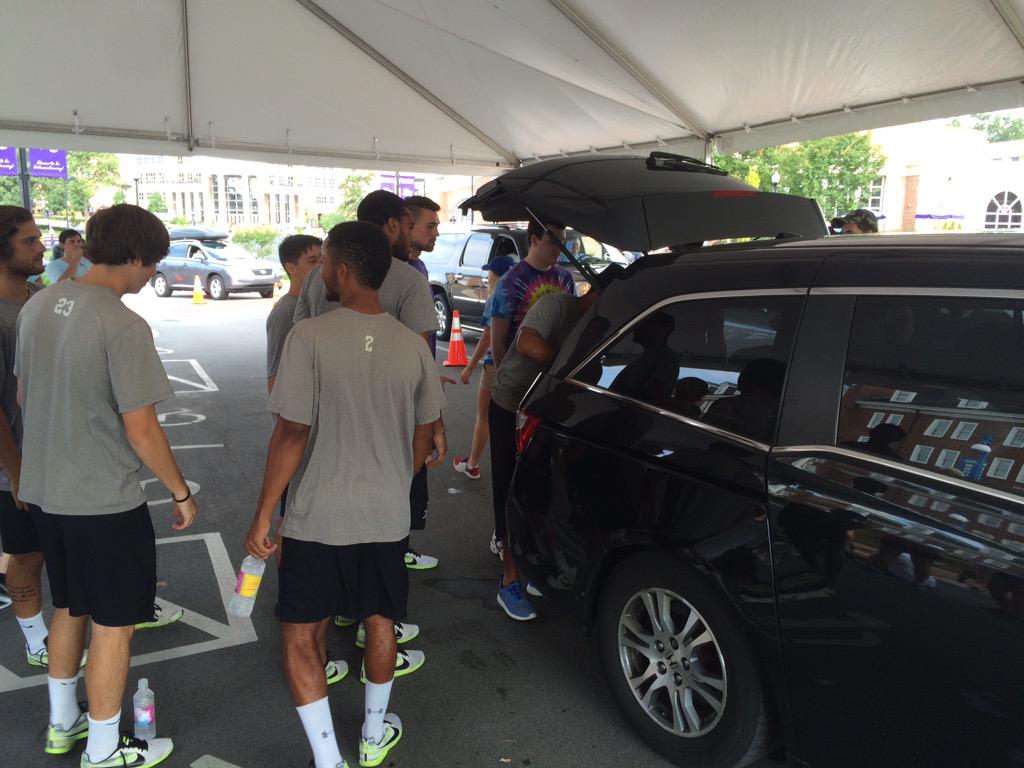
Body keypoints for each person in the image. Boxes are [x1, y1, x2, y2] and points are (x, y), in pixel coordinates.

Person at [245, 221, 445, 768]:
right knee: (381, 621)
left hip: (316, 516)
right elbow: (424, 435)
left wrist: (265, 513)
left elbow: (291, 432)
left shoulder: (308, 337)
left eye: (324, 262)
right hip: (385, 514)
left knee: (301, 634)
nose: (320, 271)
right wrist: (391, 482)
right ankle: (374, 734)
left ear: (341, 269)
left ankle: (329, 760)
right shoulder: (413, 347)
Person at [16, 204, 198, 767]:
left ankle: (61, 723)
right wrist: (180, 491)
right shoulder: (123, 323)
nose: (151, 277)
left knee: (70, 606)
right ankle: (103, 748)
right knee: (115, 624)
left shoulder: (38, 305)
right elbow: (140, 428)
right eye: (154, 265)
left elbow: (23, 399)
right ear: (137, 255)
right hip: (103, 499)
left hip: (45, 489)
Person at [294, 190, 446, 572]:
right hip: (389, 422)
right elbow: (423, 358)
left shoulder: (317, 277)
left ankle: (346, 601)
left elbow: (296, 343)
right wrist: (434, 422)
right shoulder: (409, 280)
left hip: (320, 422)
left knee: (328, 513)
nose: (414, 235)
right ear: (392, 225)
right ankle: (375, 608)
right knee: (385, 518)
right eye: (412, 226)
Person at [489, 255, 618, 621]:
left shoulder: (599, 325)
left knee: (541, 493)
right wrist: (569, 375)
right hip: (511, 406)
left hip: (549, 413)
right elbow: (529, 344)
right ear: (598, 291)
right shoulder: (556, 305)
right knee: (511, 489)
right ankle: (508, 580)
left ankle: (529, 567)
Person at [0, 206, 47, 663]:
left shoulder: (38, 297)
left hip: (53, 457)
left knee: (58, 551)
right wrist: (15, 472)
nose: (41, 247)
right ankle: (37, 643)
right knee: (26, 555)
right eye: (29, 241)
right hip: (15, 466)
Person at [453, 254, 516, 480]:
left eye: (490, 272)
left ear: (495, 275)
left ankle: (472, 464)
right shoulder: (521, 293)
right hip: (519, 364)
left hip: (494, 363)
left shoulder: (496, 297)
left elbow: (487, 337)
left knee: (485, 415)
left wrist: (469, 367)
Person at [403, 195, 440, 360]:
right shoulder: (397, 271)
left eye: (437, 226)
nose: (436, 233)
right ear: (409, 226)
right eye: (430, 227)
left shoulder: (421, 266)